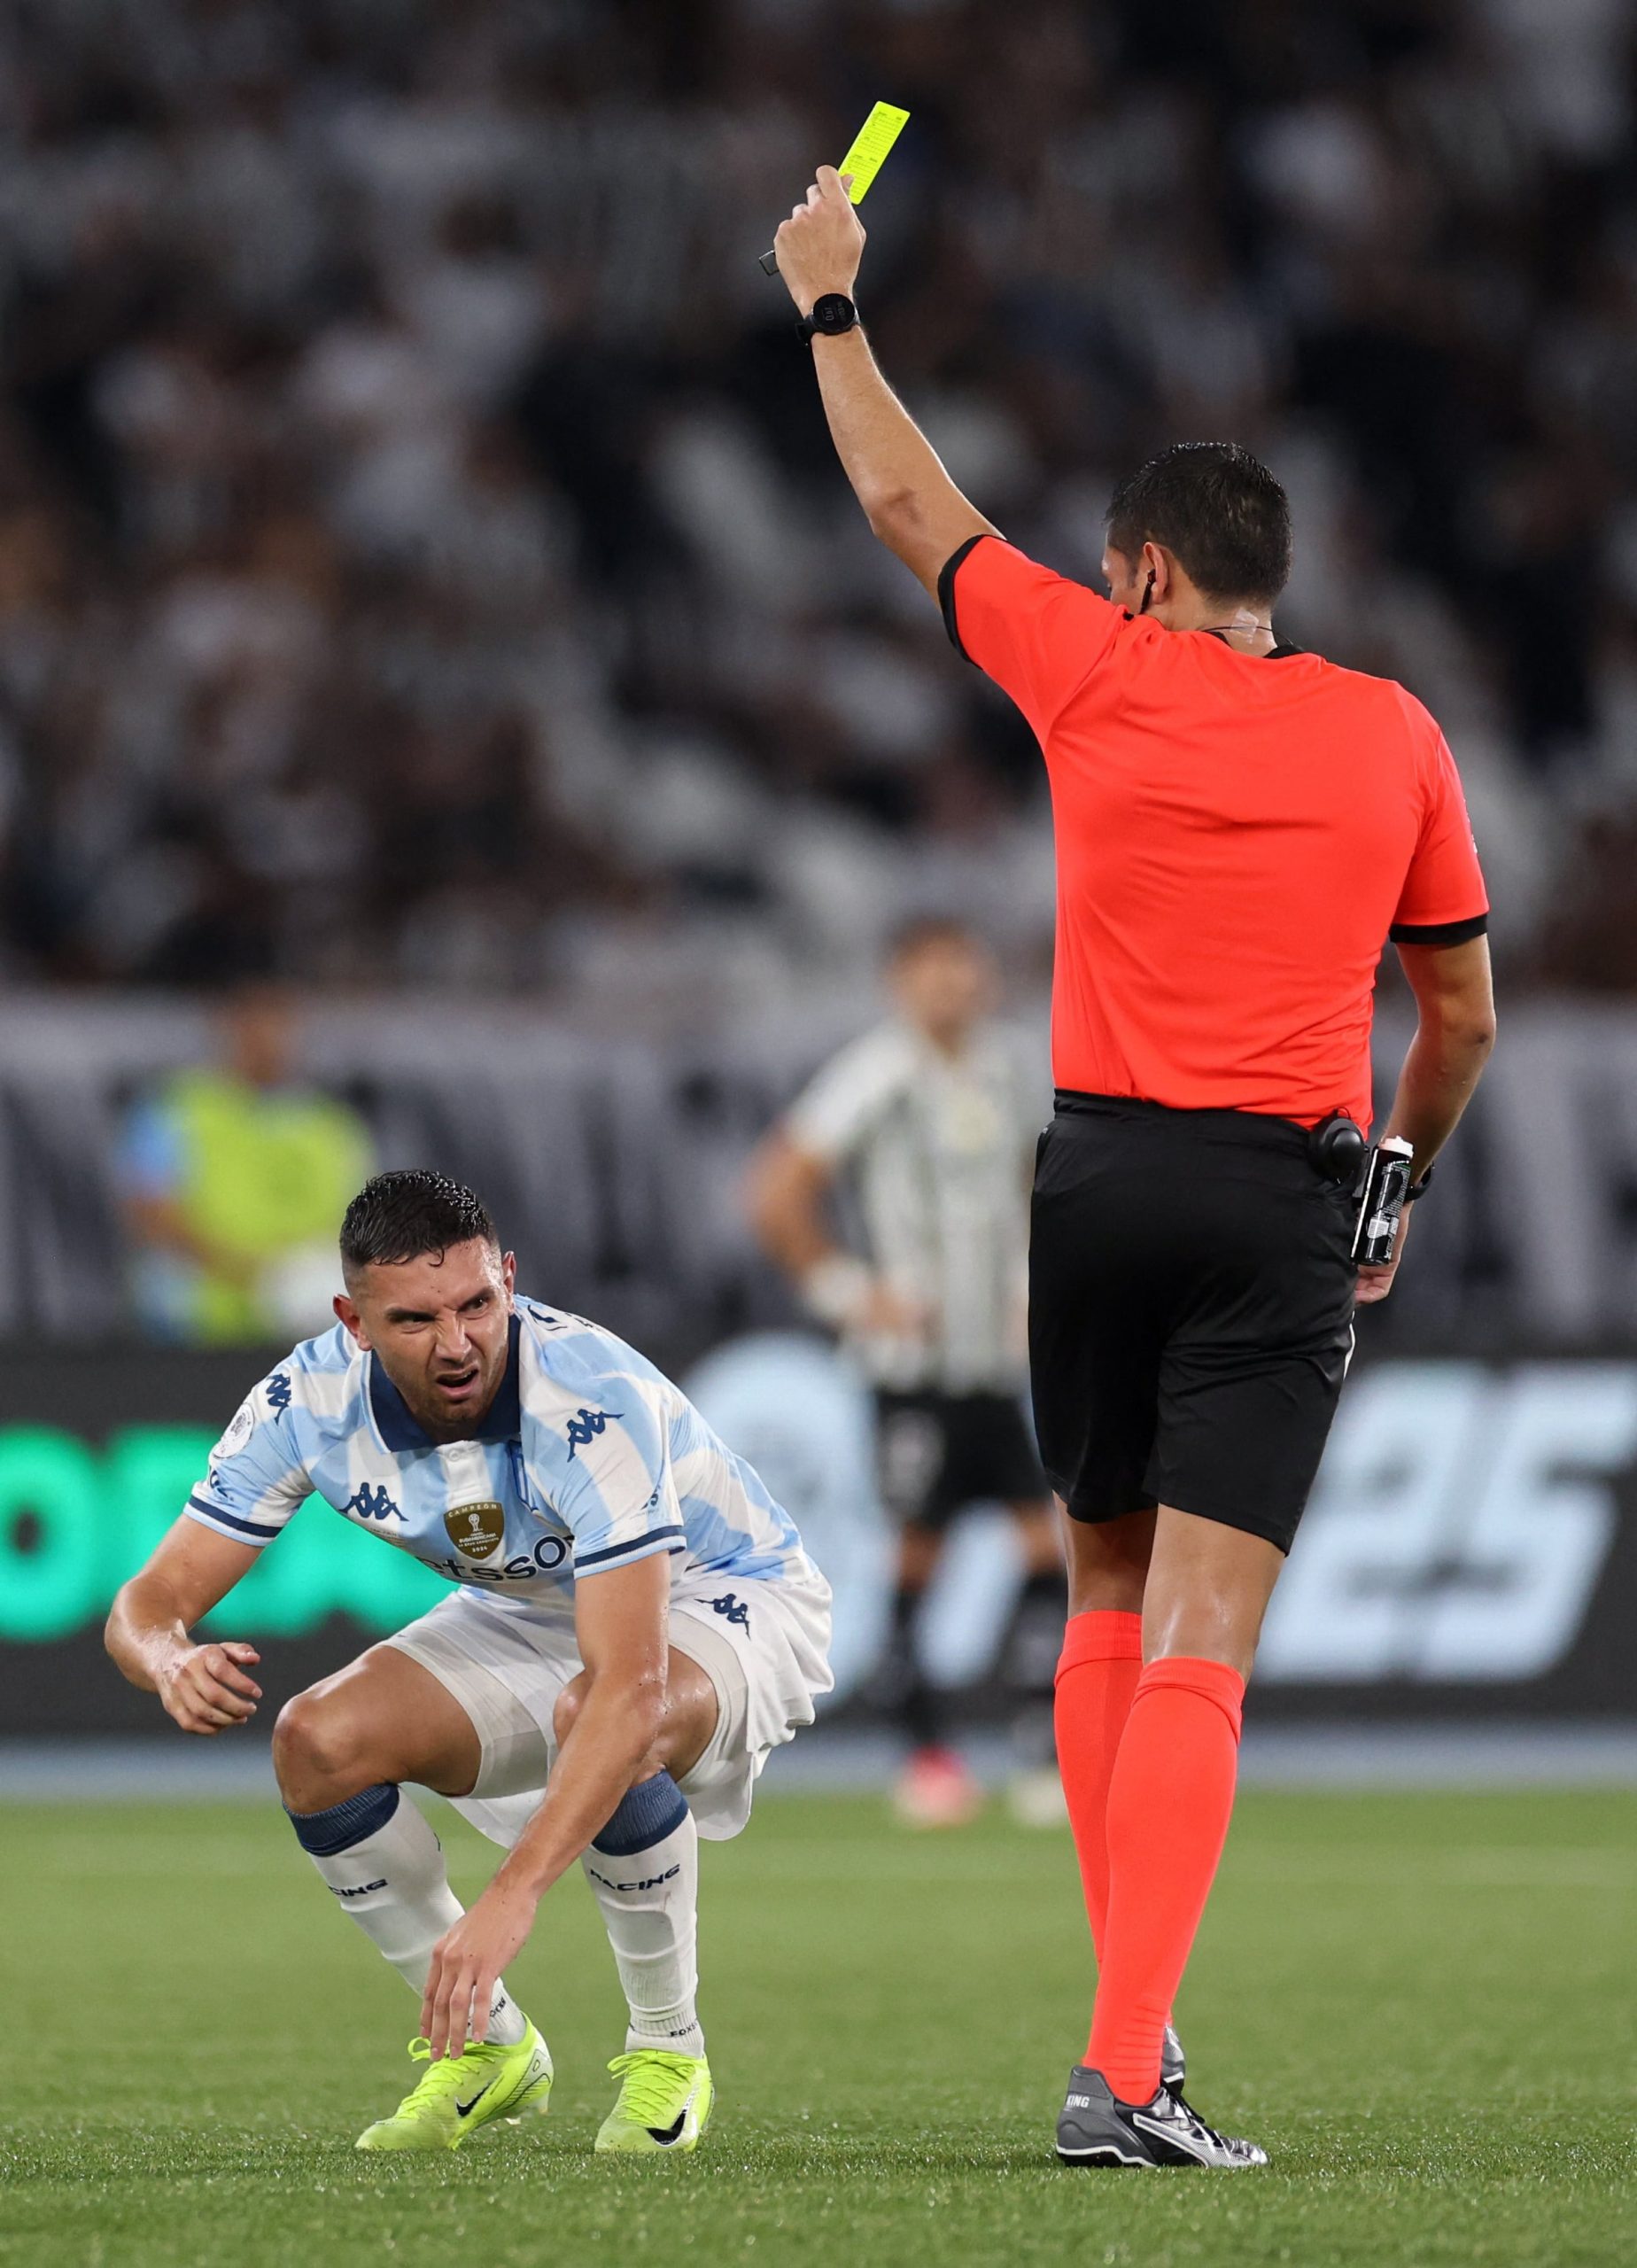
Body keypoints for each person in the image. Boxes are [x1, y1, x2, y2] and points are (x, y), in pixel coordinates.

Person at [771, 168, 1495, 2169]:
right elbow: (1464, 1020)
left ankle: (1134, 2040)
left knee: (1099, 1587)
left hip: (1085, 1181)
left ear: (1143, 574)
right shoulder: (1398, 735)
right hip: (1281, 1192)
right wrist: (1400, 1184)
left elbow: (913, 509)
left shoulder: (1093, 669)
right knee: (1203, 1638)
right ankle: (1121, 2061)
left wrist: (831, 307)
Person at [105, 1169, 833, 2155]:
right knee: (318, 1742)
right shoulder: (306, 1399)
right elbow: (146, 1606)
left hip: (729, 1596)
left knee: (604, 1717)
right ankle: (489, 2049)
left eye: (477, 1304)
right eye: (414, 1319)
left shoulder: (587, 1398)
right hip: (533, 1605)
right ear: (352, 1322)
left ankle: (670, 2047)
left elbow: (630, 1685)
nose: (456, 1343)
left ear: (509, 1279)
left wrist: (511, 1896)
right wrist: (166, 1659)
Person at [745, 916, 1062, 1827]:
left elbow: (1036, 1186)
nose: (951, 989)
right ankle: (925, 1754)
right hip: (910, 1369)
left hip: (991, 1364)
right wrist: (848, 1290)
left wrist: (1032, 1282)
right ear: (899, 983)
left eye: (964, 971)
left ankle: (1040, 1749)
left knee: (1045, 1547)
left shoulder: (1010, 1070)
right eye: (932, 973)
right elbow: (776, 1187)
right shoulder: (876, 1071)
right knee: (916, 1552)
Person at [116, 983, 374, 1344]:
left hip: (302, 1327)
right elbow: (150, 1215)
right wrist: (251, 1274)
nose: (265, 1039)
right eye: (251, 1023)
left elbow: (360, 1224)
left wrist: (298, 1275)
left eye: (276, 1024)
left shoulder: (332, 1127)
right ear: (227, 1028)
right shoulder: (174, 1110)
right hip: (192, 1325)